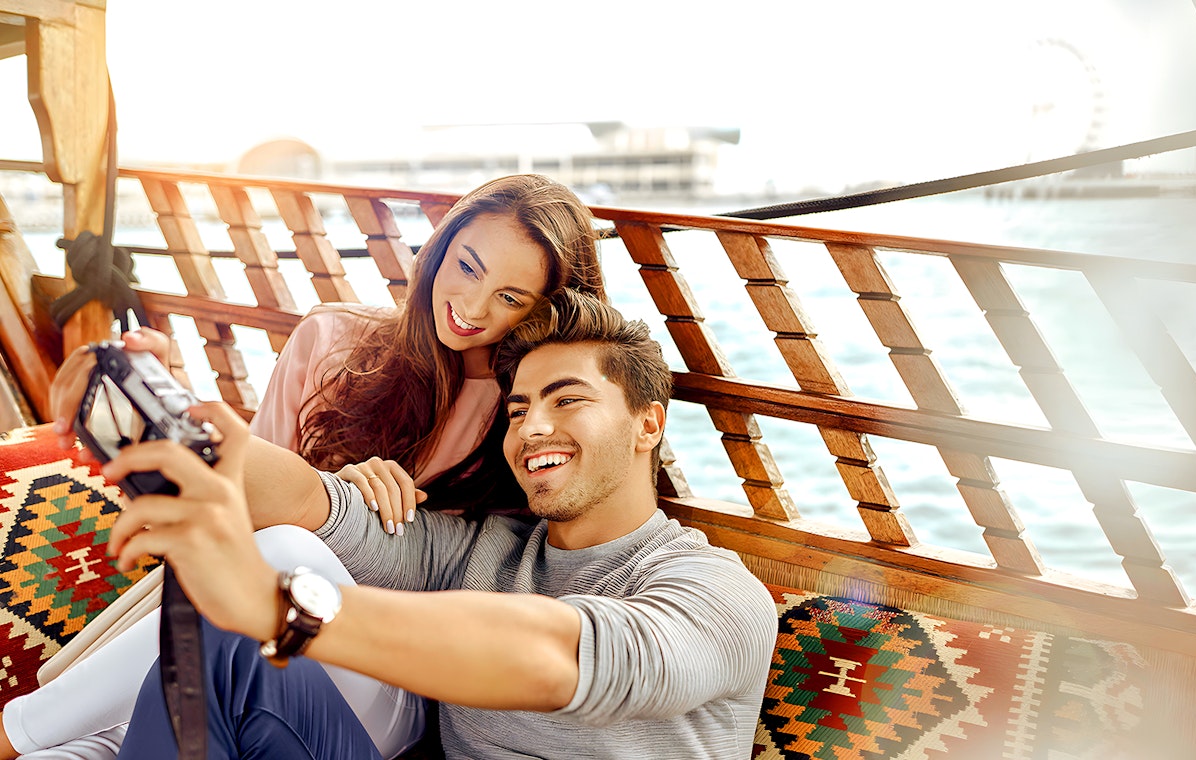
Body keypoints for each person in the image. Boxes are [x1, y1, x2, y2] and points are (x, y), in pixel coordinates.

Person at [0, 175, 607, 759]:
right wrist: (334, 499)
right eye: (467, 267)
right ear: (439, 249)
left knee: (295, 554)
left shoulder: (526, 412)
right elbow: (234, 517)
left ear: (540, 311)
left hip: (390, 678)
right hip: (246, 638)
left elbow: (500, 583)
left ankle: (12, 730)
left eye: (510, 297)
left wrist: (344, 528)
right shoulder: (332, 338)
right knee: (85, 750)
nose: (472, 307)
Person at [106, 290, 777, 758]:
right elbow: (315, 504)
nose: (533, 427)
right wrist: (165, 414)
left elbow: (555, 660)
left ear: (648, 423)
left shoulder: (718, 593)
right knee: (231, 651)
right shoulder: (484, 552)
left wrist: (275, 605)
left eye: (566, 399)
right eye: (517, 411)